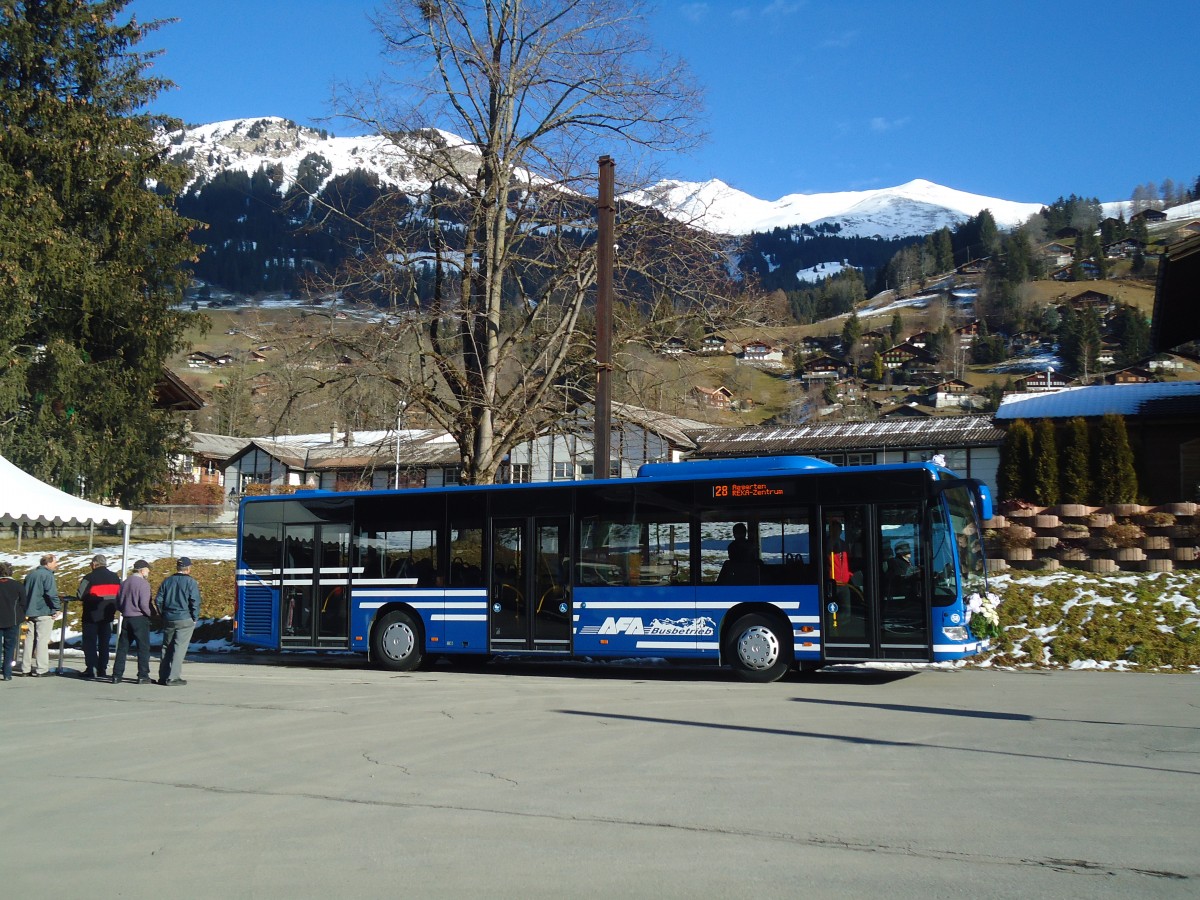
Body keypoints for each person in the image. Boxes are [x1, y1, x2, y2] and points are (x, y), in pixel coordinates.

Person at [156, 556, 202, 686]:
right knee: (179, 648)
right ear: (188, 568)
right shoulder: (190, 582)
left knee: (166, 647)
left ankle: (163, 676)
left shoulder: (167, 581)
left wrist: (163, 614)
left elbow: (158, 600)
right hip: (184, 618)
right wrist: (195, 617)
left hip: (169, 617)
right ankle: (173, 677)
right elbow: (195, 601)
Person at [77, 554, 121, 679]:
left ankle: (92, 668)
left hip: (91, 616)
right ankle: (102, 668)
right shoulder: (115, 577)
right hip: (108, 615)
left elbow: (80, 594)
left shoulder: (89, 577)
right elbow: (119, 595)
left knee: (90, 643)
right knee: (104, 643)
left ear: (94, 564)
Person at [112, 560, 156, 685]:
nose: (148, 571)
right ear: (142, 570)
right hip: (140, 619)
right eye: (147, 569)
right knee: (143, 648)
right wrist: (151, 614)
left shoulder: (124, 583)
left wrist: (124, 610)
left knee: (123, 647)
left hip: (126, 618)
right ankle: (143, 675)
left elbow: (118, 602)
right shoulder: (143, 584)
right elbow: (144, 604)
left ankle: (116, 675)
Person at [21, 553, 61, 677]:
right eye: (55, 562)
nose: (56, 564)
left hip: (30, 611)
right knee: (42, 640)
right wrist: (57, 608)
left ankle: (25, 668)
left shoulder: (30, 574)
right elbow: (51, 594)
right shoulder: (47, 575)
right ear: (48, 563)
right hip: (44, 611)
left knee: (29, 640)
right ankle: (42, 669)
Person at [0, 562, 27, 681]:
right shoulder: (17, 585)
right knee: (10, 647)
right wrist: (21, 617)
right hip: (13, 619)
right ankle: (7, 673)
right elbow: (23, 603)